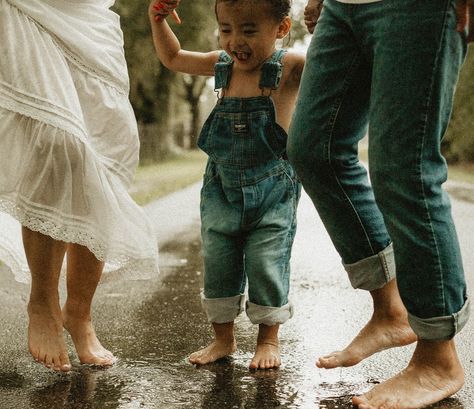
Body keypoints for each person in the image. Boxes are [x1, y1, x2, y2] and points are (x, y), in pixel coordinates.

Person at [287, 0, 473, 409]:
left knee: (404, 168)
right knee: (315, 151)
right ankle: (391, 311)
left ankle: (437, 358)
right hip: (344, 6)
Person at [0, 0, 159, 372]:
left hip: (91, 17)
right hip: (27, 7)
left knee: (110, 154)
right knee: (57, 141)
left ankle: (79, 312)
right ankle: (42, 302)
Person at [149, 0, 305, 369]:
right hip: (221, 188)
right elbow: (173, 57)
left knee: (268, 262)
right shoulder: (222, 65)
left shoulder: (290, 67)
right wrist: (157, 20)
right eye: (227, 29)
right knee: (218, 262)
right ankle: (223, 339)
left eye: (249, 30)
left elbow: (340, 62)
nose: (236, 41)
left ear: (281, 29)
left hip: (273, 190)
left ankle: (268, 341)